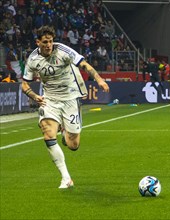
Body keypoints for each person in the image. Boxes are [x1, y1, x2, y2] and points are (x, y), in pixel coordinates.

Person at [21, 26, 110, 188]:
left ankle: (65, 131)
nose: (49, 45)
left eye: (51, 41)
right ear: (38, 42)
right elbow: (24, 84)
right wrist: (34, 96)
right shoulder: (33, 59)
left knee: (73, 145)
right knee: (48, 134)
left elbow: (84, 65)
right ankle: (66, 178)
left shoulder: (63, 51)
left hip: (70, 98)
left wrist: (99, 80)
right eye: (45, 42)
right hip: (50, 100)